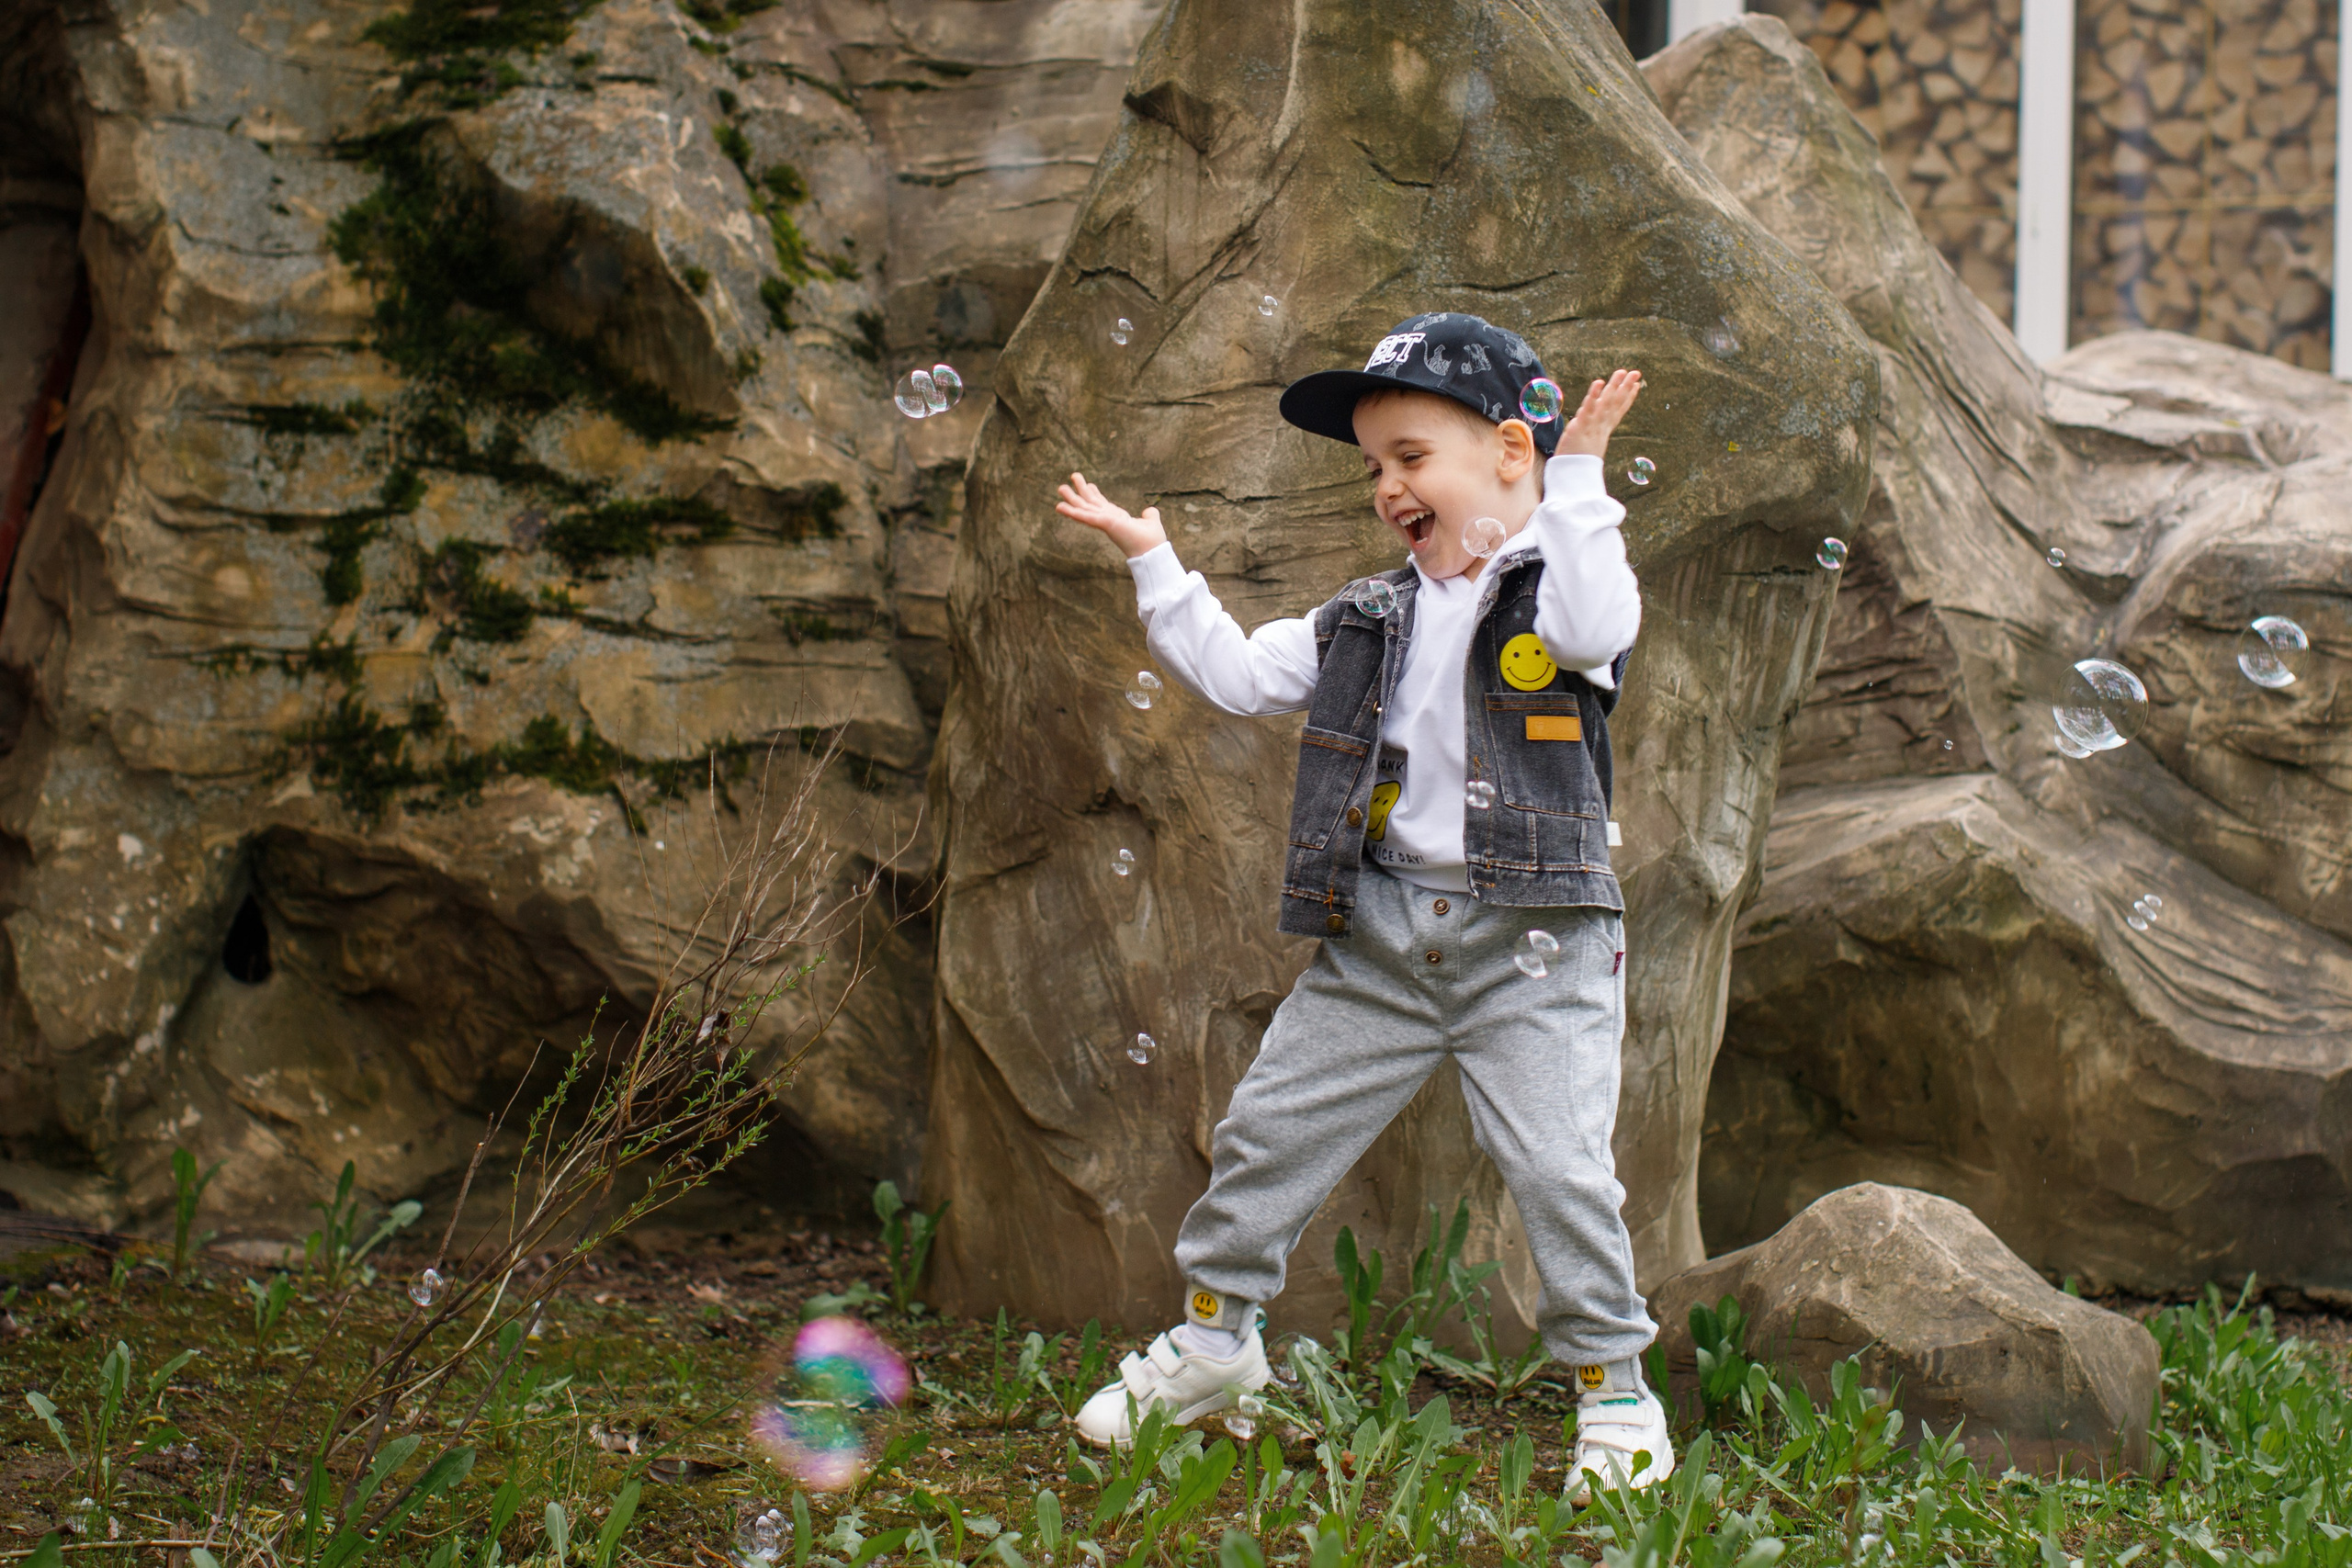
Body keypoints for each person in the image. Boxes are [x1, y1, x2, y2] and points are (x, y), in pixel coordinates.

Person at [1051, 312, 1668, 1499]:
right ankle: (1215, 1343)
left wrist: (1580, 480)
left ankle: (1615, 1394)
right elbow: (1235, 675)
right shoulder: (1366, 618)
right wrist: (1152, 560)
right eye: (1374, 466)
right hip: (1383, 940)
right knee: (1266, 1134)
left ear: (1507, 452)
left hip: (1530, 942)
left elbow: (1597, 623)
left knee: (1562, 1172)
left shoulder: (1561, 593)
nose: (1387, 486)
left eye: (1411, 458)